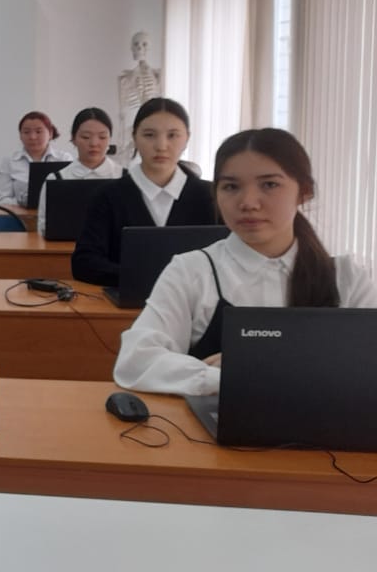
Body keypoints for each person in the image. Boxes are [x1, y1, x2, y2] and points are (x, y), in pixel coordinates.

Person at [113, 128, 377, 395]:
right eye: (231, 187)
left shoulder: (348, 278)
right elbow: (136, 361)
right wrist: (215, 378)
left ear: (304, 192)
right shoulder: (192, 271)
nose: (248, 203)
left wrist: (243, 370)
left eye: (269, 185)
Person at [71, 98, 215, 287]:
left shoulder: (211, 196)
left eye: (172, 135)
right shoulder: (107, 197)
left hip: (197, 303)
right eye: (149, 135)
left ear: (187, 138)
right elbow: (84, 263)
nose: (161, 145)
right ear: (135, 137)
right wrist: (141, 278)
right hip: (125, 302)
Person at [36, 107, 123, 236]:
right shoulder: (56, 179)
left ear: (110, 139)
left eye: (102, 137)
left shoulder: (125, 178)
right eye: (86, 137)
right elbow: (43, 228)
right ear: (73, 139)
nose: (94, 143)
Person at [0, 111, 73, 206]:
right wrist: (23, 202)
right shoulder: (9, 161)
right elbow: (3, 199)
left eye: (38, 132)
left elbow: (72, 194)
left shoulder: (64, 159)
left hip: (56, 213)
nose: (32, 137)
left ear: (50, 134)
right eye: (26, 132)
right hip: (20, 213)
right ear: (20, 135)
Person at [117, 31, 163, 163]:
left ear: (149, 48)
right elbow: (122, 112)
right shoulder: (125, 79)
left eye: (144, 45)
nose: (139, 48)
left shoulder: (157, 75)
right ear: (131, 47)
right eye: (136, 45)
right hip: (132, 128)